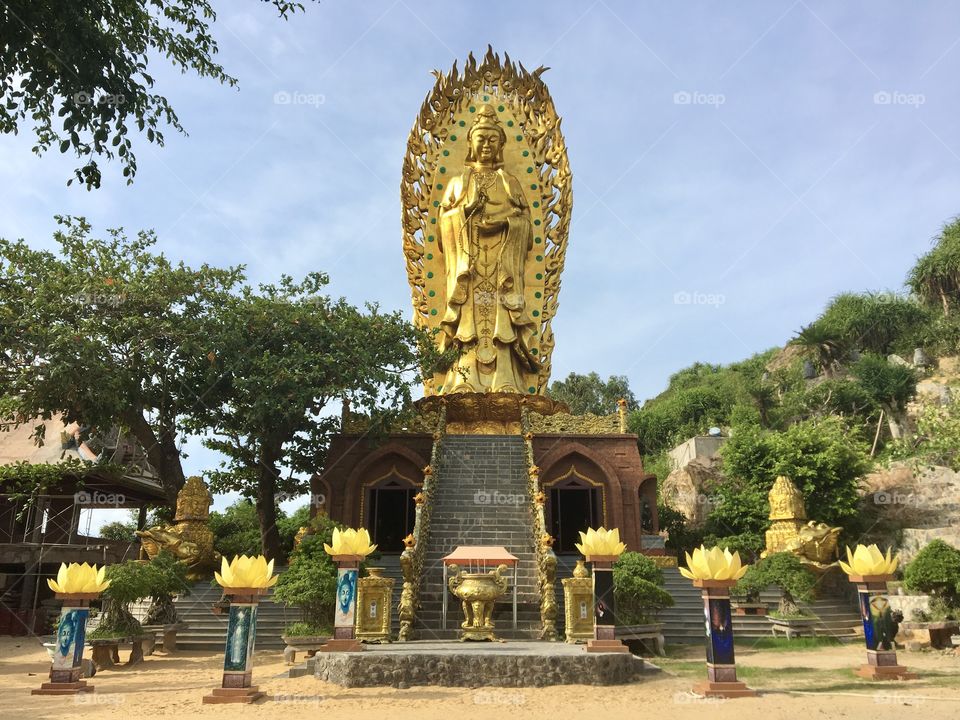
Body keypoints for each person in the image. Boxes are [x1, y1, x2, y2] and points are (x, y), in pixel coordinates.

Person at [437, 104, 539, 393]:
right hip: (467, 269)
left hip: (501, 269)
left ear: (501, 145)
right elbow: (442, 228)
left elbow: (527, 229)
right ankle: (462, 380)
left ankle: (506, 380)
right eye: (480, 139)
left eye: (492, 139)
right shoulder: (458, 183)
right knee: (468, 325)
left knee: (502, 327)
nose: (486, 145)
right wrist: (463, 215)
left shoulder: (510, 183)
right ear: (470, 142)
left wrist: (505, 224)